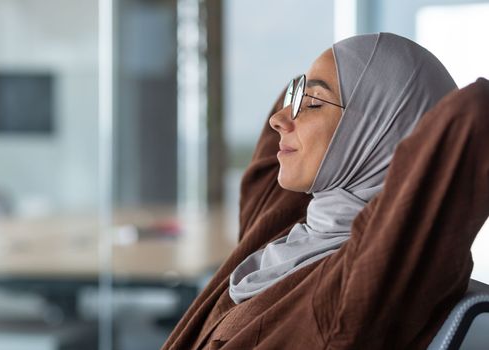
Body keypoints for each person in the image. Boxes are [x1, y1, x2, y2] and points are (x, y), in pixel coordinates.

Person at [162, 33, 489, 349]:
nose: (279, 118)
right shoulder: (285, 232)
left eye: (314, 103)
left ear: (379, 132)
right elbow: (283, 124)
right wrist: (313, 92)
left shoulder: (358, 284)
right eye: (297, 98)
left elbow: (474, 112)